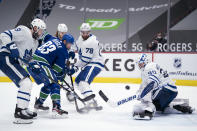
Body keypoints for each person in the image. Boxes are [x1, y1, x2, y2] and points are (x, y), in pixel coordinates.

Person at [0, 18, 46, 124]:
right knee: (25, 83)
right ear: (35, 28)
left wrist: (35, 65)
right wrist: (11, 46)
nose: (41, 33)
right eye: (40, 31)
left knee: (27, 83)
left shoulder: (34, 43)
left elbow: (28, 59)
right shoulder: (24, 31)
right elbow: (4, 35)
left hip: (15, 61)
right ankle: (19, 112)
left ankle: (23, 109)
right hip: (6, 57)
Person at [133, 54, 194, 120]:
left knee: (148, 100)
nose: (140, 65)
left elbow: (153, 83)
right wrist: (139, 93)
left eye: (141, 63)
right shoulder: (145, 70)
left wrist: (142, 95)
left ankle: (148, 112)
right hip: (171, 91)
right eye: (139, 64)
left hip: (165, 89)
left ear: (146, 61)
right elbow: (144, 86)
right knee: (158, 107)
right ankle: (180, 107)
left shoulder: (149, 67)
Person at [28, 34, 74, 117]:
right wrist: (64, 72)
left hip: (32, 63)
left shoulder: (54, 38)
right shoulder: (63, 52)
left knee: (49, 84)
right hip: (42, 64)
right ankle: (56, 108)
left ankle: (38, 103)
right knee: (54, 83)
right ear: (64, 41)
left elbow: (46, 36)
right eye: (69, 43)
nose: (70, 45)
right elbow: (56, 71)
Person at [69, 23, 104, 111]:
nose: (85, 34)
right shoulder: (80, 39)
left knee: (83, 82)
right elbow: (75, 46)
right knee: (77, 82)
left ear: (90, 32)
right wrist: (70, 52)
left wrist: (74, 67)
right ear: (80, 32)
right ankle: (90, 99)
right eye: (83, 32)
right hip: (89, 64)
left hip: (95, 63)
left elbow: (85, 60)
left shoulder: (91, 42)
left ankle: (91, 101)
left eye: (87, 33)